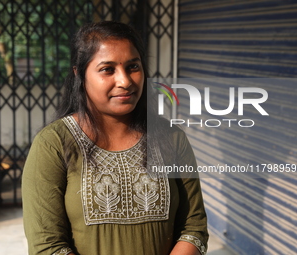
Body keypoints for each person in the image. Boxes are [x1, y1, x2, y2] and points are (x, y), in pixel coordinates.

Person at [22, 21, 208, 255]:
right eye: (107, 69)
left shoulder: (171, 138)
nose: (125, 81)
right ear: (80, 74)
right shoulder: (54, 143)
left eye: (133, 67)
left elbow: (194, 228)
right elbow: (47, 245)